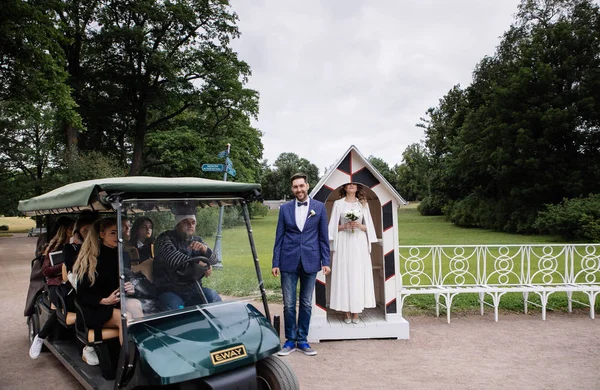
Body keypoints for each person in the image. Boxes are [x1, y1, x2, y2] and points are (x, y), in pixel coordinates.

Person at [272, 173, 331, 357]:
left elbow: (323, 237)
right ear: (292, 189)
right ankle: (290, 340)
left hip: (311, 261)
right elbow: (279, 237)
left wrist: (326, 261)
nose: (299, 190)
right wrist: (276, 262)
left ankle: (302, 340)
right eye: (295, 187)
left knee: (305, 303)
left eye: (301, 186)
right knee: (289, 304)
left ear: (307, 185)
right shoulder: (284, 209)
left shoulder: (319, 208)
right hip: (288, 260)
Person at [73, 218, 141, 350]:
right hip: (95, 307)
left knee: (137, 305)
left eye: (119, 232)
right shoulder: (91, 257)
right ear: (102, 234)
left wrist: (131, 288)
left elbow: (124, 280)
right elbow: (81, 294)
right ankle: (131, 361)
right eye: (113, 233)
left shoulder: (124, 255)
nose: (117, 236)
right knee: (125, 317)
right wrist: (104, 301)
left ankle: (142, 351)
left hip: (116, 302)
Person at [328, 183, 378, 324]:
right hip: (344, 241)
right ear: (344, 187)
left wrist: (361, 226)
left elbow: (369, 226)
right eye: (348, 184)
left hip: (359, 242)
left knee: (357, 273)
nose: (351, 186)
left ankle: (356, 312)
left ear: (357, 187)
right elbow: (331, 227)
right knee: (345, 273)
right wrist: (344, 226)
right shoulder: (338, 204)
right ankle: (346, 311)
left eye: (354, 184)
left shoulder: (363, 204)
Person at [153, 214, 221, 310]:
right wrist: (202, 265)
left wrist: (205, 250)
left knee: (213, 298)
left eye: (193, 222)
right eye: (186, 222)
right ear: (177, 224)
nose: (190, 225)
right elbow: (175, 260)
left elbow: (215, 260)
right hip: (168, 289)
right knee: (175, 308)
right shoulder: (164, 239)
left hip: (194, 289)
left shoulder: (198, 240)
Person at [29, 218, 74, 359]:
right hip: (56, 281)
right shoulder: (54, 247)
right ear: (65, 231)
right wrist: (64, 265)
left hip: (73, 281)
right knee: (61, 303)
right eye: (71, 229)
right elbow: (46, 271)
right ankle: (40, 337)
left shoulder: (78, 246)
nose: (74, 232)